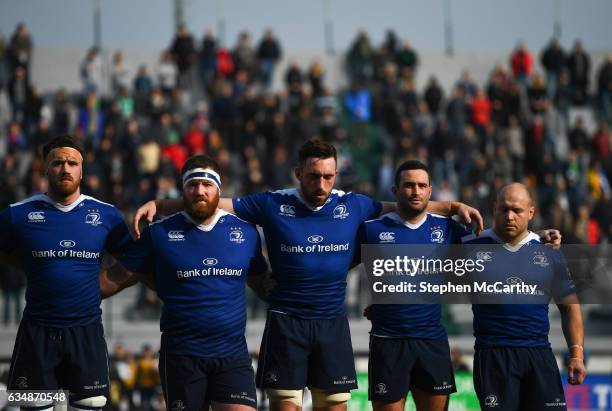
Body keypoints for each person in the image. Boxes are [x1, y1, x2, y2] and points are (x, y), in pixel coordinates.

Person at [132, 140, 483, 411]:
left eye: (328, 176)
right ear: (298, 173)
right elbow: (212, 200)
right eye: (314, 175)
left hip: (332, 324)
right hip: (287, 324)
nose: (321, 183)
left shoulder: (353, 205)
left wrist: (453, 207)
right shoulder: (272, 203)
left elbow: (406, 205)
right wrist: (161, 206)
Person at [102, 155, 268, 411]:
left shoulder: (245, 233)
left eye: (206, 184)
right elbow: (114, 278)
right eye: (192, 185)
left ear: (218, 189)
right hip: (182, 357)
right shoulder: (159, 234)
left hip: (232, 355)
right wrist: (66, 293)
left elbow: (262, 284)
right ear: (183, 190)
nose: (199, 191)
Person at [0, 135, 133, 411]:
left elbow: (135, 264)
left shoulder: (106, 215)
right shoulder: (17, 215)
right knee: (31, 406)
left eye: (72, 163)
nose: (65, 168)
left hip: (86, 331)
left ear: (82, 170)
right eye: (57, 162)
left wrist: (105, 284)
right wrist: (29, 265)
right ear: (44, 169)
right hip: (37, 330)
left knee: (92, 404)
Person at [464, 183, 586, 410]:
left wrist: (576, 355)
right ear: (494, 209)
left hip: (539, 355)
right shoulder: (470, 247)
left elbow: (570, 307)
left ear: (531, 213)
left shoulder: (549, 252)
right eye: (504, 209)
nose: (510, 216)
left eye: (517, 211)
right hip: (494, 357)